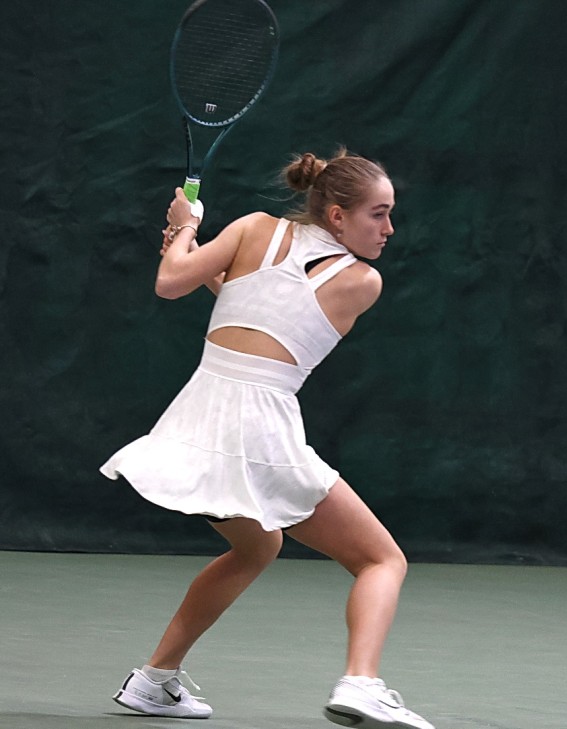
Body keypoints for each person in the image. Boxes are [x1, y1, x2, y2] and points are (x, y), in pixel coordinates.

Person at [100, 148, 435, 729]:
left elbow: (222, 294)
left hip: (197, 422)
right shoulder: (362, 281)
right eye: (379, 214)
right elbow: (198, 287)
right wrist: (186, 240)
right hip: (257, 432)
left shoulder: (253, 228)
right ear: (337, 216)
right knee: (382, 559)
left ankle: (154, 680)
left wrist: (186, 233)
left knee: (257, 547)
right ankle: (362, 683)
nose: (389, 229)